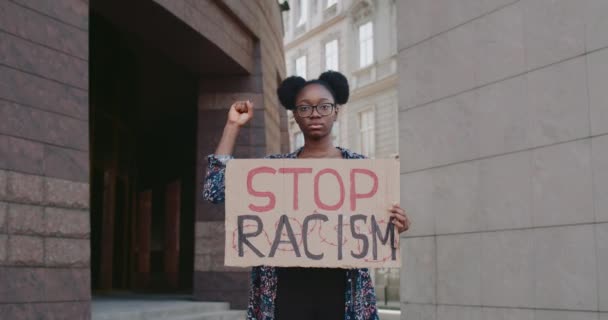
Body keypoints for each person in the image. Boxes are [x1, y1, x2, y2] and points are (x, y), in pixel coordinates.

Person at [203, 71, 411, 320]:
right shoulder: (273, 170)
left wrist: (395, 224)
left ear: (337, 111)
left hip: (342, 292)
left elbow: (377, 227)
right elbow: (214, 189)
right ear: (295, 115)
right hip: (284, 293)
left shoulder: (363, 170)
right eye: (304, 107)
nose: (314, 113)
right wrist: (232, 126)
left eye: (324, 106)